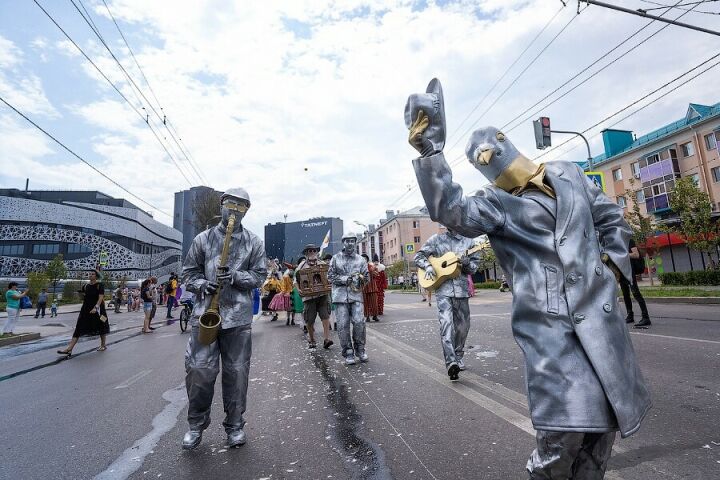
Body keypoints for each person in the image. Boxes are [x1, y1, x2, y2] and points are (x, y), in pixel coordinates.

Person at [405, 78, 651, 478]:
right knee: (563, 435)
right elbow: (450, 209)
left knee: (601, 436)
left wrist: (606, 263)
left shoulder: (569, 173)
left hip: (601, 322)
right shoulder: (495, 203)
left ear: (505, 142)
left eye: (487, 150)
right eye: (479, 161)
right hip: (551, 329)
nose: (487, 159)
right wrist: (430, 151)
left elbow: (610, 216)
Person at [181, 187, 267, 450]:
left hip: (238, 317)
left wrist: (236, 277)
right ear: (221, 205)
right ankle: (196, 425)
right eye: (231, 204)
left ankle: (235, 425)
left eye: (241, 206)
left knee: (237, 373)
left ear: (247, 211)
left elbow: (260, 276)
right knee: (199, 370)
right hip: (205, 313)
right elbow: (187, 274)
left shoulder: (254, 242)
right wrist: (201, 284)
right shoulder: (203, 239)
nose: (234, 210)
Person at [415, 229, 480, 380]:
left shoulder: (469, 242)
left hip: (462, 290)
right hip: (443, 289)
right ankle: (451, 362)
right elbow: (418, 256)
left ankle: (458, 355)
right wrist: (428, 266)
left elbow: (474, 268)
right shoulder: (436, 239)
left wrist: (466, 264)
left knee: (463, 327)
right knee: (446, 325)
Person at [328, 233, 369, 365]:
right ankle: (348, 351)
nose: (350, 243)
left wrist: (360, 280)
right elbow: (330, 276)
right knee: (343, 325)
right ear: (343, 243)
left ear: (355, 242)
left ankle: (360, 349)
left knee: (359, 322)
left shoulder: (361, 260)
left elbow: (366, 277)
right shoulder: (335, 258)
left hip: (356, 295)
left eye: (352, 241)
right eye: (348, 241)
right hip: (340, 296)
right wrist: (346, 279)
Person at [57, 270, 109, 354]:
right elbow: (83, 298)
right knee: (79, 327)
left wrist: (96, 307)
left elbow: (101, 297)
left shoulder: (99, 285)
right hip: (85, 309)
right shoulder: (85, 286)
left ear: (96, 276)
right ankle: (69, 348)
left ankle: (103, 345)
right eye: (90, 274)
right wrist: (80, 295)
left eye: (93, 274)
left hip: (98, 310)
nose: (90, 275)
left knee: (102, 326)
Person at [296, 244, 333, 349]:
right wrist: (299, 289)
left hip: (322, 295)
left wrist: (329, 284)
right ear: (306, 253)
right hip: (309, 297)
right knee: (310, 319)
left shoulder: (323, 264)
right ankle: (312, 339)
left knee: (325, 316)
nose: (312, 252)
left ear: (317, 252)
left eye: (313, 250)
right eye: (309, 251)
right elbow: (296, 280)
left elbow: (329, 276)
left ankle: (327, 339)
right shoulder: (302, 266)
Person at [622, 238, 651, 328]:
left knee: (635, 293)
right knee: (625, 294)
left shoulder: (629, 240)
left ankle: (646, 318)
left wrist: (623, 255)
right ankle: (630, 315)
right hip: (622, 270)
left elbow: (636, 254)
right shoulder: (618, 241)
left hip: (630, 271)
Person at [361, 254, 380, 322]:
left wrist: (371, 270)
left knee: (374, 303)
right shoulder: (359, 268)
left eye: (365, 259)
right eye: (362, 259)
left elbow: (377, 275)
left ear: (367, 260)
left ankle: (375, 316)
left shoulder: (372, 267)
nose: (364, 260)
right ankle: (367, 316)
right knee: (365, 304)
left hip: (372, 287)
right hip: (364, 288)